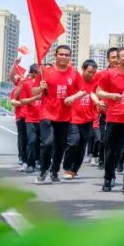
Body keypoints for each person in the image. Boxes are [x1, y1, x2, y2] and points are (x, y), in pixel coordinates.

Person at [34, 44, 85, 184]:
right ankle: (43, 170)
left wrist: (73, 97)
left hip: (64, 116)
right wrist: (40, 88)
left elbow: (83, 90)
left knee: (60, 146)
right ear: (55, 55)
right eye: (61, 54)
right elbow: (33, 91)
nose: (64, 57)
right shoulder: (45, 71)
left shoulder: (74, 73)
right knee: (48, 143)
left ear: (70, 57)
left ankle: (54, 171)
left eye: (66, 55)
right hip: (47, 114)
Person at [95, 47, 124, 193]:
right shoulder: (110, 74)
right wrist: (111, 96)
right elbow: (99, 92)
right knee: (111, 152)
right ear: (118, 59)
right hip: (114, 119)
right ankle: (108, 178)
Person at [62, 59, 100, 179]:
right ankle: (67, 168)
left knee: (82, 146)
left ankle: (74, 169)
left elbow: (94, 94)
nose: (91, 75)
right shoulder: (75, 80)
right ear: (83, 69)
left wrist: (98, 102)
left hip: (88, 119)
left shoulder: (96, 82)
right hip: (73, 118)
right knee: (73, 142)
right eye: (89, 72)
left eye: (93, 72)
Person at [95, 46, 120, 169]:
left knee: (119, 141)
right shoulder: (101, 74)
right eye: (113, 57)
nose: (116, 60)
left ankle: (116, 162)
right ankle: (102, 159)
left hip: (121, 113)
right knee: (104, 139)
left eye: (118, 57)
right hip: (105, 112)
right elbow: (94, 91)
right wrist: (98, 102)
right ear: (108, 59)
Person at [15, 63, 43, 173]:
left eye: (39, 72)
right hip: (30, 118)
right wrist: (35, 98)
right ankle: (30, 164)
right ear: (31, 73)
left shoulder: (45, 84)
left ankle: (40, 162)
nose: (38, 74)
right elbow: (22, 101)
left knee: (43, 143)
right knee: (31, 141)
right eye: (36, 72)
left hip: (43, 118)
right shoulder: (26, 84)